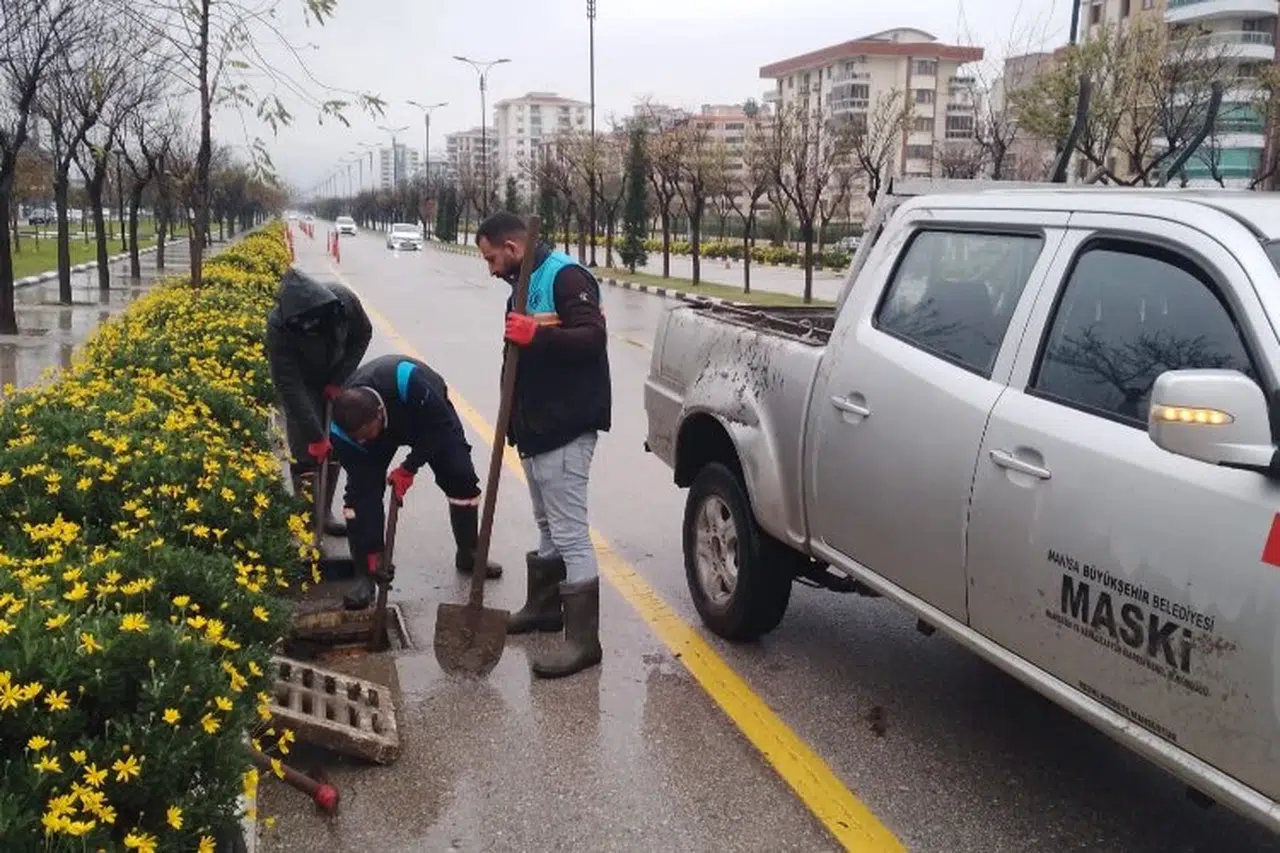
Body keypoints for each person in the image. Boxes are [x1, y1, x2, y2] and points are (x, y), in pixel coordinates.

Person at [474, 211, 611, 680]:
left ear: (512, 248)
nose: (490, 268)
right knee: (547, 524)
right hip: (535, 428)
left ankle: (584, 642)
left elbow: (592, 339)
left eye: (491, 258)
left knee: (570, 532)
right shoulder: (521, 283)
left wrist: (539, 334)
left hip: (566, 425)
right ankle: (544, 609)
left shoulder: (565, 277)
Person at [329, 354, 503, 611]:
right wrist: (375, 554)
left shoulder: (410, 381)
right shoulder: (345, 434)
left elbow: (439, 427)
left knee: (460, 475)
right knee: (358, 498)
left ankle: (469, 553)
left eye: (366, 434)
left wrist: (409, 468)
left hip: (425, 419)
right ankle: (365, 574)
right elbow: (365, 493)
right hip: (381, 432)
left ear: (379, 415)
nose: (362, 441)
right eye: (358, 438)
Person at [266, 266, 372, 536]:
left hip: (335, 376)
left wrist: (339, 379)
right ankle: (306, 523)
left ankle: (323, 512)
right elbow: (289, 384)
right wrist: (315, 436)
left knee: (334, 444)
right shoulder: (279, 325)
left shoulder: (343, 303)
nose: (307, 327)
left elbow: (363, 335)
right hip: (301, 382)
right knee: (306, 448)